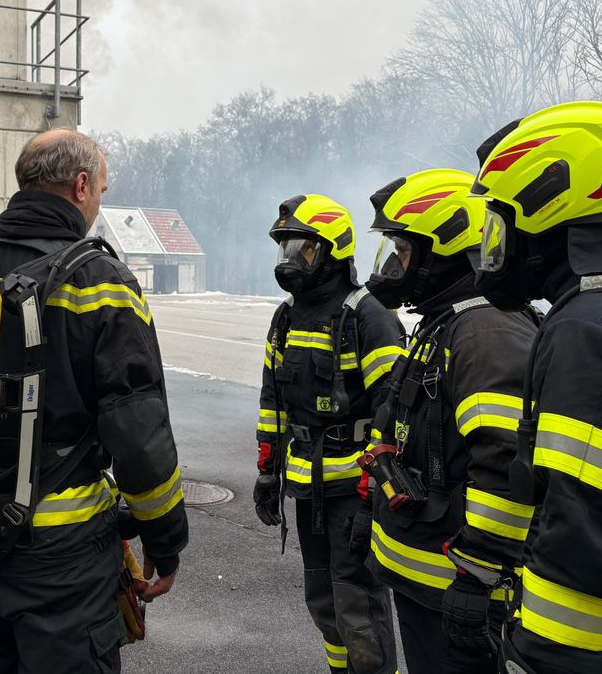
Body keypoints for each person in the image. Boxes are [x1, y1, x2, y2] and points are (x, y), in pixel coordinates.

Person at [0, 129, 188, 674]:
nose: (97, 204)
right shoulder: (101, 282)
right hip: (60, 562)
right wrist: (165, 536)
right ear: (81, 185)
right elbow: (139, 432)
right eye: (102, 192)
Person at [362, 169, 538, 674]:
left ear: (445, 250)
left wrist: (477, 576)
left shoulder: (485, 332)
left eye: (404, 249)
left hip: (453, 591)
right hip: (422, 582)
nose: (395, 264)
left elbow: (504, 465)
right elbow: (398, 428)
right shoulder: (445, 323)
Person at [469, 101, 602, 674]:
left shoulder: (580, 328)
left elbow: (575, 520)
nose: (493, 243)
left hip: (569, 645)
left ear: (552, 203)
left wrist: (533, 653)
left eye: (501, 219)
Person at [253, 194, 401, 674]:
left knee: (358, 606)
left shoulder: (368, 316)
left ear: (334, 250)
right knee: (324, 602)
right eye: (285, 249)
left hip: (354, 491)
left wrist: (376, 495)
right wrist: (267, 472)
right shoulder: (286, 317)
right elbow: (272, 401)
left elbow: (394, 413)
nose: (290, 260)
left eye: (302, 249)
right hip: (307, 487)